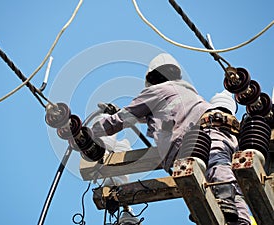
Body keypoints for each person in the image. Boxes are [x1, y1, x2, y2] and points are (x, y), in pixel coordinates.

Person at [91, 53, 251, 224]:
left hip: (206, 136)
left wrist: (89, 133)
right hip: (226, 136)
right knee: (226, 180)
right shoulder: (184, 93)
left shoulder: (158, 91)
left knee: (216, 169)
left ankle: (227, 204)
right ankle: (241, 218)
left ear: (151, 78)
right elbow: (150, 114)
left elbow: (124, 117)